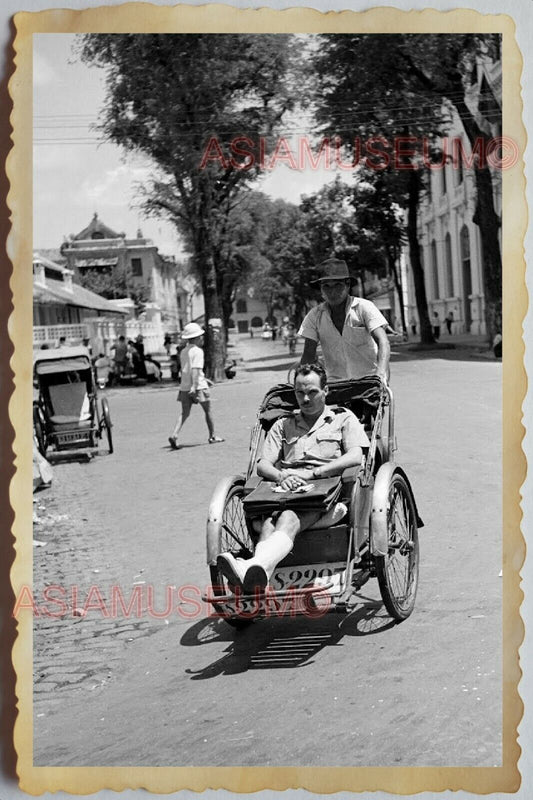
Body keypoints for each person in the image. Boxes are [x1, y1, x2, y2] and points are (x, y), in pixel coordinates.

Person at [217, 363, 369, 593]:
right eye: (300, 393)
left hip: (325, 491)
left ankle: (251, 567)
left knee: (287, 516)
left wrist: (314, 473)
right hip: (284, 489)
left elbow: (356, 456)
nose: (305, 399)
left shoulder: (343, 419)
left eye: (312, 392)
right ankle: (256, 576)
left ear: (325, 391)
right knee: (268, 523)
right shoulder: (283, 424)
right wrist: (282, 476)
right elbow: (263, 464)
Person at [299, 258, 390, 383]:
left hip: (370, 381)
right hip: (336, 384)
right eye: (326, 286)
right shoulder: (314, 316)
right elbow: (308, 353)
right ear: (320, 289)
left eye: (338, 285)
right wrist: (300, 383)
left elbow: (383, 341)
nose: (332, 292)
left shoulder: (364, 307)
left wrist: (380, 374)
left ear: (347, 285)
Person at [168, 322, 224, 449]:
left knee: (184, 413)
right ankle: (212, 436)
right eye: (201, 336)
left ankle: (175, 434)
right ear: (197, 338)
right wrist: (195, 386)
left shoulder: (183, 351)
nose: (202, 339)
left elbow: (187, 370)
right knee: (208, 410)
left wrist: (203, 380)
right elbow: (195, 370)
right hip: (198, 386)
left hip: (184, 386)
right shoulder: (198, 351)